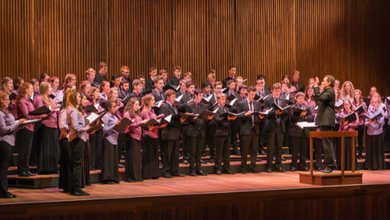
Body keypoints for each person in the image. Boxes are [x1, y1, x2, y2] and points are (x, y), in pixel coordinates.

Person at [15, 83, 47, 176]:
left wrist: (39, 115)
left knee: (28, 151)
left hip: (31, 127)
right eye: (31, 88)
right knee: (24, 151)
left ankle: (26, 169)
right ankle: (21, 170)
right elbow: (26, 115)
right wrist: (38, 116)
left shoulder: (29, 100)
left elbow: (32, 113)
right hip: (24, 128)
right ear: (25, 90)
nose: (32, 90)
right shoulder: (22, 101)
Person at [0, 92, 25, 198]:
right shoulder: (0, 113)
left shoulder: (5, 111)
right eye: (6, 99)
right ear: (1, 100)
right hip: (4, 141)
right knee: (2, 168)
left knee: (4, 167)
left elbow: (11, 126)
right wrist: (17, 124)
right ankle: (3, 192)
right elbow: (3, 130)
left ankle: (4, 190)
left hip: (9, 141)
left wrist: (19, 125)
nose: (9, 101)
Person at [66, 90, 90, 196]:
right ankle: (76, 189)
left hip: (77, 138)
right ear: (73, 98)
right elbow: (75, 127)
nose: (80, 98)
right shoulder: (73, 110)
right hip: (77, 138)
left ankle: (74, 188)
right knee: (77, 164)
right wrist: (86, 128)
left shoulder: (73, 109)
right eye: (78, 97)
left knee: (75, 164)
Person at [313, 75, 337, 173]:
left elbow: (319, 97)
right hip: (324, 119)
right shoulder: (326, 91)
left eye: (324, 81)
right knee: (326, 143)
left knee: (327, 143)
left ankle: (330, 165)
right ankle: (329, 165)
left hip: (327, 120)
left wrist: (316, 87)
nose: (322, 83)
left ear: (329, 83)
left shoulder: (330, 91)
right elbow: (319, 99)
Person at [186, 89, 213, 176]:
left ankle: (199, 169)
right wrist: (192, 119)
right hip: (193, 131)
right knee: (192, 152)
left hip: (201, 130)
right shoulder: (190, 106)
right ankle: (192, 170)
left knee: (199, 152)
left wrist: (208, 118)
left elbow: (205, 117)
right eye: (200, 95)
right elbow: (186, 119)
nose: (201, 97)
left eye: (202, 95)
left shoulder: (204, 106)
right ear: (195, 95)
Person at [160, 89, 186, 178]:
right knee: (167, 154)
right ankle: (166, 171)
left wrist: (180, 119)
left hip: (176, 133)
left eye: (175, 97)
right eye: (173, 97)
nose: (174, 99)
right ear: (167, 97)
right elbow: (166, 121)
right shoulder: (165, 107)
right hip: (169, 133)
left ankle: (175, 171)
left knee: (175, 154)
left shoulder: (174, 107)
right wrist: (178, 120)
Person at [264, 83, 289, 173]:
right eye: (276, 91)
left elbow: (286, 112)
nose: (277, 93)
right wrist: (275, 112)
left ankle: (279, 165)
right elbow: (266, 113)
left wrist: (283, 112)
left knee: (279, 147)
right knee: (270, 148)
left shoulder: (282, 100)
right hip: (271, 126)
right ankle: (269, 166)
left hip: (280, 126)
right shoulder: (268, 100)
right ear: (272, 91)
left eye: (279, 91)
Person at [237, 86, 263, 174]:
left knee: (254, 149)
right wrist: (245, 114)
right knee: (244, 150)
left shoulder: (257, 103)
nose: (253, 96)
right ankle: (243, 167)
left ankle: (253, 166)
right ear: (247, 93)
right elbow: (238, 116)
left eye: (254, 94)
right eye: (252, 94)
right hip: (246, 129)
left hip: (255, 129)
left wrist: (260, 117)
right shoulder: (242, 103)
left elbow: (258, 116)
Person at [35, 82, 59, 174]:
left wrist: (58, 110)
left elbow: (55, 109)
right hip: (45, 125)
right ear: (44, 88)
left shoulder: (50, 99)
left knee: (53, 147)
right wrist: (52, 110)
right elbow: (41, 112)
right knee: (46, 147)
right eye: (49, 87)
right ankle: (44, 168)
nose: (51, 89)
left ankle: (52, 167)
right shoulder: (39, 99)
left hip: (53, 125)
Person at [141, 94, 167, 179]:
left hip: (154, 135)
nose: (154, 102)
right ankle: (147, 174)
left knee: (154, 156)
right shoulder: (145, 111)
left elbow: (155, 122)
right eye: (152, 100)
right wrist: (159, 125)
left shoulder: (152, 111)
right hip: (148, 135)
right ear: (148, 102)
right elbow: (149, 124)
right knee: (148, 156)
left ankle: (154, 174)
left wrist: (159, 120)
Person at [289, 92, 314, 171]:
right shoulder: (292, 107)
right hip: (295, 131)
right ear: (296, 99)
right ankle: (294, 165)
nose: (301, 100)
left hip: (304, 131)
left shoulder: (306, 107)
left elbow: (311, 117)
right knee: (295, 150)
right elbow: (292, 118)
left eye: (302, 99)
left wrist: (306, 117)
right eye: (299, 98)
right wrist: (300, 115)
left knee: (304, 150)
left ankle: (303, 165)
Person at [123, 98, 147, 182]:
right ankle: (131, 177)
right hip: (130, 136)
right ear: (131, 105)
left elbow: (139, 125)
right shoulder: (127, 114)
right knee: (132, 157)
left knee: (137, 158)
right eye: (136, 104)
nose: (138, 106)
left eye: (138, 104)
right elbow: (128, 124)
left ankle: (137, 176)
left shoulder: (137, 114)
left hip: (138, 136)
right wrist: (140, 123)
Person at [213, 93, 237, 175]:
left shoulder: (226, 109)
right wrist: (226, 118)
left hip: (227, 132)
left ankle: (227, 168)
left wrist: (232, 118)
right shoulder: (216, 109)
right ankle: (218, 168)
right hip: (220, 133)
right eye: (222, 99)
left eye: (224, 99)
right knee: (219, 153)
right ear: (218, 100)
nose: (224, 101)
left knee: (227, 153)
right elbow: (217, 120)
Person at [101, 101, 122, 184]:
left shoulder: (114, 116)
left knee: (114, 160)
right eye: (114, 106)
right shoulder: (106, 116)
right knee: (108, 160)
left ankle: (114, 177)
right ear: (109, 108)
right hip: (108, 139)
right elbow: (104, 130)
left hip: (115, 140)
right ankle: (107, 178)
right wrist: (114, 126)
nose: (115, 108)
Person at [86, 87, 104, 170]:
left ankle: (98, 164)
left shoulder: (98, 102)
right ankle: (91, 165)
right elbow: (86, 113)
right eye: (97, 92)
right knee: (92, 145)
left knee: (98, 145)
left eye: (98, 92)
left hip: (98, 124)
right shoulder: (87, 102)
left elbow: (101, 111)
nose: (98, 93)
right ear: (92, 93)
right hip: (91, 124)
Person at [338, 99, 359, 170]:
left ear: (350, 104)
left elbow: (357, 124)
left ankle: (352, 166)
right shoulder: (341, 114)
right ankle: (344, 166)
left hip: (351, 134)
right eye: (344, 105)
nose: (346, 106)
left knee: (351, 150)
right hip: (344, 134)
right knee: (344, 150)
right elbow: (340, 124)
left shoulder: (354, 114)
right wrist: (343, 124)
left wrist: (349, 124)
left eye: (347, 104)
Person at [365, 98, 385, 170]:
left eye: (375, 102)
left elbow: (382, 122)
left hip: (378, 132)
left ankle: (379, 166)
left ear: (377, 103)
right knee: (370, 150)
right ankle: (370, 166)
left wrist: (376, 120)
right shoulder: (369, 111)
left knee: (378, 150)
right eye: (372, 102)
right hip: (370, 132)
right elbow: (365, 123)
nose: (374, 103)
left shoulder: (381, 111)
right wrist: (369, 122)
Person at [352, 89, 367, 159]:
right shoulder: (352, 103)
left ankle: (360, 154)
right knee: (354, 139)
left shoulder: (363, 104)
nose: (356, 96)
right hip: (354, 124)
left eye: (357, 94)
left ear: (360, 95)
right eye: (355, 95)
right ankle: (354, 154)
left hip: (361, 123)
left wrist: (361, 113)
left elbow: (365, 113)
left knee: (360, 139)